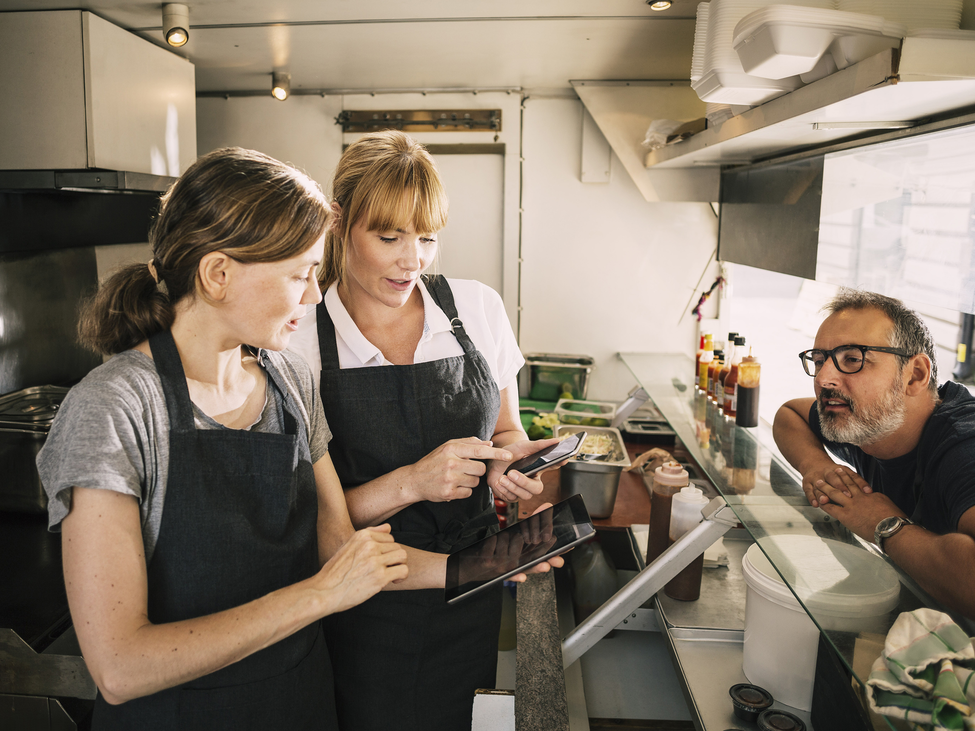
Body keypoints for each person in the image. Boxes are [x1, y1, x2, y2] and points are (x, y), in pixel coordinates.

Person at [36, 147, 408, 730]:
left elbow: (337, 548)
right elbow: (119, 666)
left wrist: (481, 568)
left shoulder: (288, 381)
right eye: (300, 273)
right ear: (217, 275)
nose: (313, 295)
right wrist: (318, 596)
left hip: (300, 704)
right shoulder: (115, 408)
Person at [287, 129, 563, 731]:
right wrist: (411, 482)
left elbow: (507, 429)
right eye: (389, 237)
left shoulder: (477, 308)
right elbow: (303, 521)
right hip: (358, 601)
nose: (412, 260)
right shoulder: (300, 338)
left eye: (427, 237)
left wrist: (510, 464)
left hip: (472, 581)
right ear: (339, 222)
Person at [772, 288, 975, 618]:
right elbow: (789, 415)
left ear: (915, 375)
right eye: (820, 360)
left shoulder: (963, 446)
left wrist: (887, 526)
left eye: (852, 359)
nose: (824, 379)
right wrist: (816, 465)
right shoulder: (869, 422)